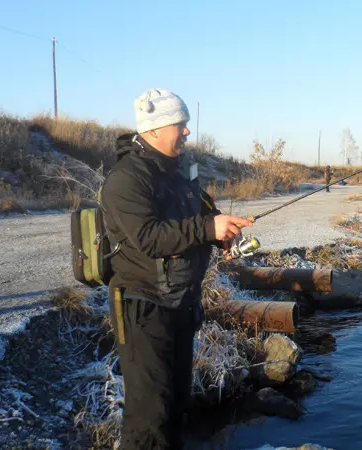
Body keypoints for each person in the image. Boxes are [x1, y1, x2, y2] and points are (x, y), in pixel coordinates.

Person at [99, 88, 253, 449]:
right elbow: (149, 238)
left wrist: (220, 232)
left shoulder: (179, 174)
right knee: (149, 416)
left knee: (176, 404)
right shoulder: (126, 179)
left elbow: (199, 219)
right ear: (153, 130)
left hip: (180, 304)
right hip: (142, 308)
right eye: (179, 125)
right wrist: (206, 229)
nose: (186, 131)